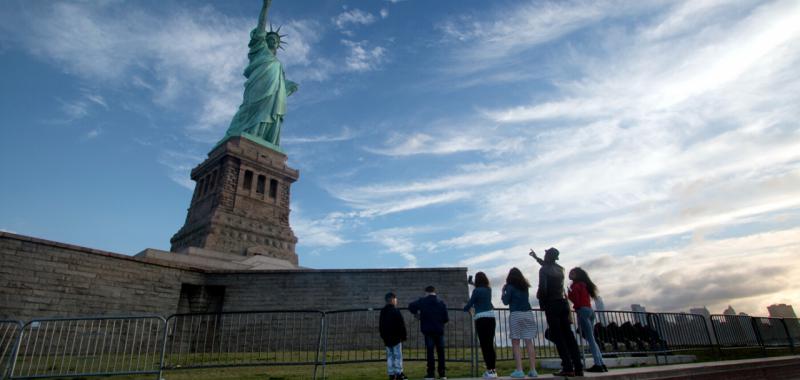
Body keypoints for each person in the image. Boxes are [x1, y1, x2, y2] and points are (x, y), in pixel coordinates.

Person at [220, 0, 299, 147]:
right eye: (270, 38)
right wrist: (265, 7)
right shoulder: (260, 49)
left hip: (274, 93)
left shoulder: (278, 64)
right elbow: (261, 26)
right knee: (250, 108)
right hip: (258, 85)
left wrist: (289, 86)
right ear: (265, 40)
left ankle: (262, 139)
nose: (274, 41)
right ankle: (246, 135)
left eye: (276, 40)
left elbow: (282, 84)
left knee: (269, 113)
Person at [533, 248, 583, 377]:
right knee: (569, 336)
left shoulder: (543, 270)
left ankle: (567, 367)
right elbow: (548, 267)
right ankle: (578, 367)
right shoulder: (561, 269)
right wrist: (536, 258)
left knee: (558, 336)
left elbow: (543, 289)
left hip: (552, 304)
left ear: (548, 255)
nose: (544, 256)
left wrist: (541, 302)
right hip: (563, 304)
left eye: (545, 254)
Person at [568, 267, 608, 373]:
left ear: (577, 275)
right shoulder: (584, 284)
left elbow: (575, 300)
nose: (570, 274)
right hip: (590, 310)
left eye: (573, 273)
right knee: (592, 338)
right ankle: (601, 363)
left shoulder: (575, 286)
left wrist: (569, 294)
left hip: (582, 310)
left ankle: (598, 364)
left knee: (590, 339)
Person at [501, 268, 538, 378]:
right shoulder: (524, 286)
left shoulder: (509, 286)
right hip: (528, 313)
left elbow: (505, 302)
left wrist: (503, 292)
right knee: (529, 342)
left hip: (516, 314)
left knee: (516, 342)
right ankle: (533, 370)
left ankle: (519, 370)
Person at [409, 286, 449, 380]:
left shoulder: (422, 301)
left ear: (426, 292)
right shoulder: (441, 302)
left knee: (430, 352)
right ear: (434, 292)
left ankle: (431, 374)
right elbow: (446, 318)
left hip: (428, 330)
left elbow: (410, 306)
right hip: (439, 330)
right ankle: (442, 374)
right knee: (441, 352)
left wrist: (417, 314)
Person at [464, 273, 498, 379]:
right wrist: (472, 283)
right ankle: (493, 370)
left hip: (481, 318)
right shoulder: (489, 289)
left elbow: (471, 302)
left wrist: (465, 308)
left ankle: (490, 371)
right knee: (490, 345)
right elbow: (481, 289)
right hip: (491, 318)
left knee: (484, 345)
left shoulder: (476, 291)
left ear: (477, 280)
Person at [380, 292, 409, 380]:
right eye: (395, 299)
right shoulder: (395, 311)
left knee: (390, 356)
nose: (396, 301)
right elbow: (401, 324)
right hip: (396, 338)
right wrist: (403, 336)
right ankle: (399, 373)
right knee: (397, 356)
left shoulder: (383, 311)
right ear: (392, 300)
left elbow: (381, 325)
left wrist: (383, 336)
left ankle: (391, 374)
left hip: (387, 338)